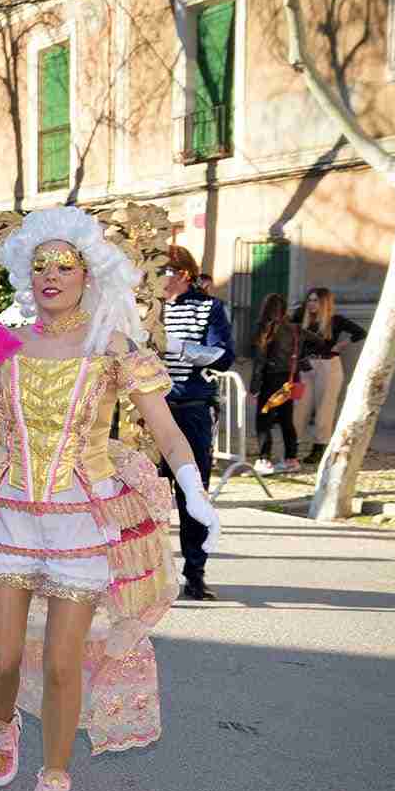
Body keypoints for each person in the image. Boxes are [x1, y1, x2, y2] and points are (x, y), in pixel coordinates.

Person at [0, 208, 218, 791]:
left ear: (89, 272)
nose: (51, 275)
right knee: (0, 657)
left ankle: (54, 783)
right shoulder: (3, 344)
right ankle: (2, 722)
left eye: (64, 264)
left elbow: (163, 426)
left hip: (82, 518)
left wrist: (194, 487)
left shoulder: (112, 346)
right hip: (10, 514)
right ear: (24, 275)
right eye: (40, 265)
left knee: (64, 666)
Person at [157, 248, 233, 601]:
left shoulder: (208, 308)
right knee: (144, 496)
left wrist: (179, 346)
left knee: (192, 491)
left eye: (165, 269)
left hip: (190, 408)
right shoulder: (143, 307)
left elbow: (224, 354)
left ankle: (195, 572)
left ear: (184, 273)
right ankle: (147, 573)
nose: (158, 275)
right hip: (146, 412)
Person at [292, 288, 365, 462]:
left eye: (315, 300)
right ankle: (292, 446)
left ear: (324, 303)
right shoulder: (300, 319)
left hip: (328, 366)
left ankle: (319, 448)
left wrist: (340, 346)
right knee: (299, 408)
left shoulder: (335, 321)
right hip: (305, 366)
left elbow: (361, 333)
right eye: (309, 300)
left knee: (324, 408)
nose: (311, 304)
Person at [250, 292, 303, 474]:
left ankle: (264, 460)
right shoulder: (293, 328)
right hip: (289, 378)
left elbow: (260, 359)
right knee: (286, 419)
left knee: (264, 419)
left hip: (270, 379)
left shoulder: (264, 328)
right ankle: (291, 458)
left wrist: (254, 387)